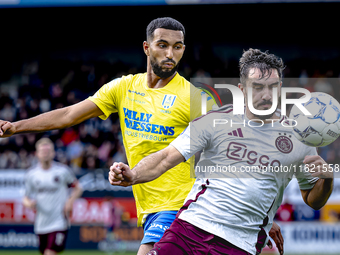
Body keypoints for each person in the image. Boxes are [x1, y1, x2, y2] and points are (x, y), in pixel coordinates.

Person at [0, 18, 281, 254]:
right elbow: (69, 115)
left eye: (178, 46)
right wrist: (16, 126)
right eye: (162, 45)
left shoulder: (194, 98)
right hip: (150, 207)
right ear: (147, 48)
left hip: (182, 205)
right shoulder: (123, 88)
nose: (170, 53)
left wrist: (258, 211)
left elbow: (231, 146)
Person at [108, 48, 334, 255]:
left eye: (272, 87)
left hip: (240, 244)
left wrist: (327, 179)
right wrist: (134, 175)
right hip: (189, 229)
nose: (266, 94)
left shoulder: (300, 138)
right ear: (242, 89)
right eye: (258, 87)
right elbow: (167, 157)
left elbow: (312, 199)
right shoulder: (215, 121)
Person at [23, 138, 83, 255]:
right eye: (42, 151)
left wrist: (70, 201)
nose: (45, 154)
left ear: (53, 153)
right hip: (41, 223)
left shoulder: (62, 171)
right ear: (37, 154)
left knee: (49, 253)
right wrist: (29, 203)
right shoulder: (32, 175)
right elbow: (25, 197)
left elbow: (78, 188)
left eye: (48, 151)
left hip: (59, 221)